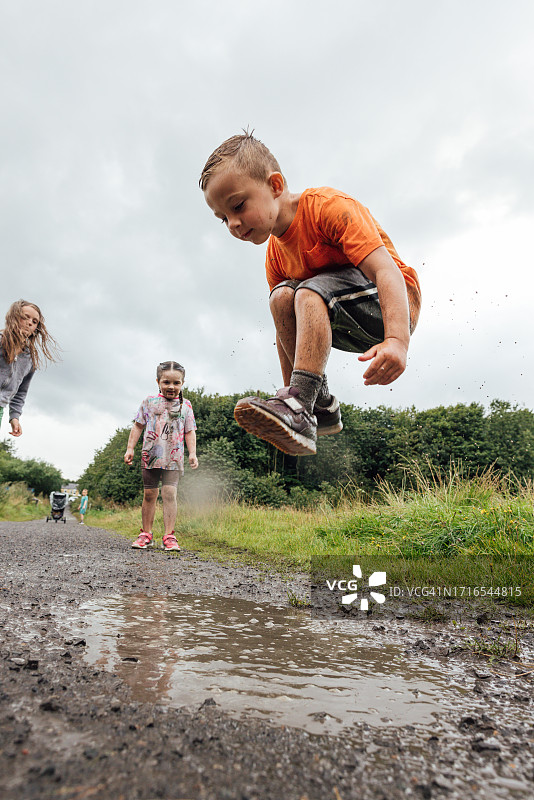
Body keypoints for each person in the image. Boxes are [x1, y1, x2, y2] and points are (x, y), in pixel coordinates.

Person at [200, 132, 421, 456]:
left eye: (238, 206)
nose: (233, 223)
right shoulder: (275, 256)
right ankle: (313, 405)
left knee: (306, 293)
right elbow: (285, 326)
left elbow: (385, 271)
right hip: (339, 315)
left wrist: (398, 341)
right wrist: (291, 405)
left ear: (275, 186)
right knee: (281, 298)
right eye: (223, 219)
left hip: (390, 305)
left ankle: (303, 401)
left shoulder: (328, 209)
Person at [124, 361, 198, 551]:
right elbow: (138, 425)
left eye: (176, 383)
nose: (171, 387)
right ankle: (145, 534)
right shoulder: (149, 402)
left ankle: (169, 536)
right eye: (166, 382)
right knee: (150, 494)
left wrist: (193, 454)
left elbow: (190, 431)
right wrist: (130, 448)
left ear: (182, 383)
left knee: (169, 493)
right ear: (158, 381)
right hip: (151, 455)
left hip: (174, 458)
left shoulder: (186, 406)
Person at [0, 300, 58, 437]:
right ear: (14, 317)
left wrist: (14, 417)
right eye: (25, 317)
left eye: (35, 321)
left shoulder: (29, 360)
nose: (30, 322)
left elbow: (21, 392)